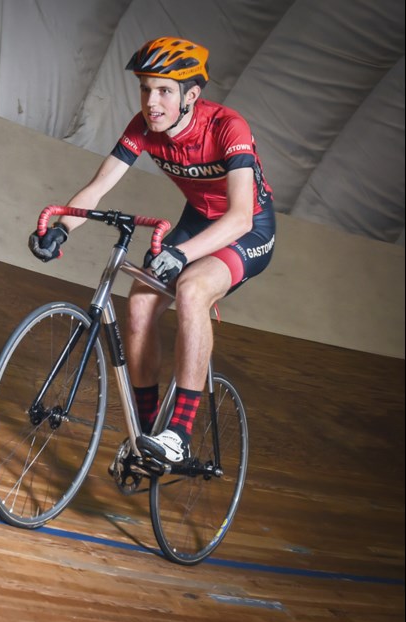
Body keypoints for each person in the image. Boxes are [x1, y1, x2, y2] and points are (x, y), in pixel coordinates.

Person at [28, 36, 275, 464]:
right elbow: (99, 186)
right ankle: (144, 438)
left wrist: (181, 255)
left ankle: (177, 435)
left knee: (192, 291)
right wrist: (63, 228)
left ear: (191, 96)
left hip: (248, 230)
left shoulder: (227, 127)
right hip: (198, 220)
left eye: (164, 90)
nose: (151, 102)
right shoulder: (142, 127)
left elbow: (239, 217)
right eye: (145, 89)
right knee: (140, 304)